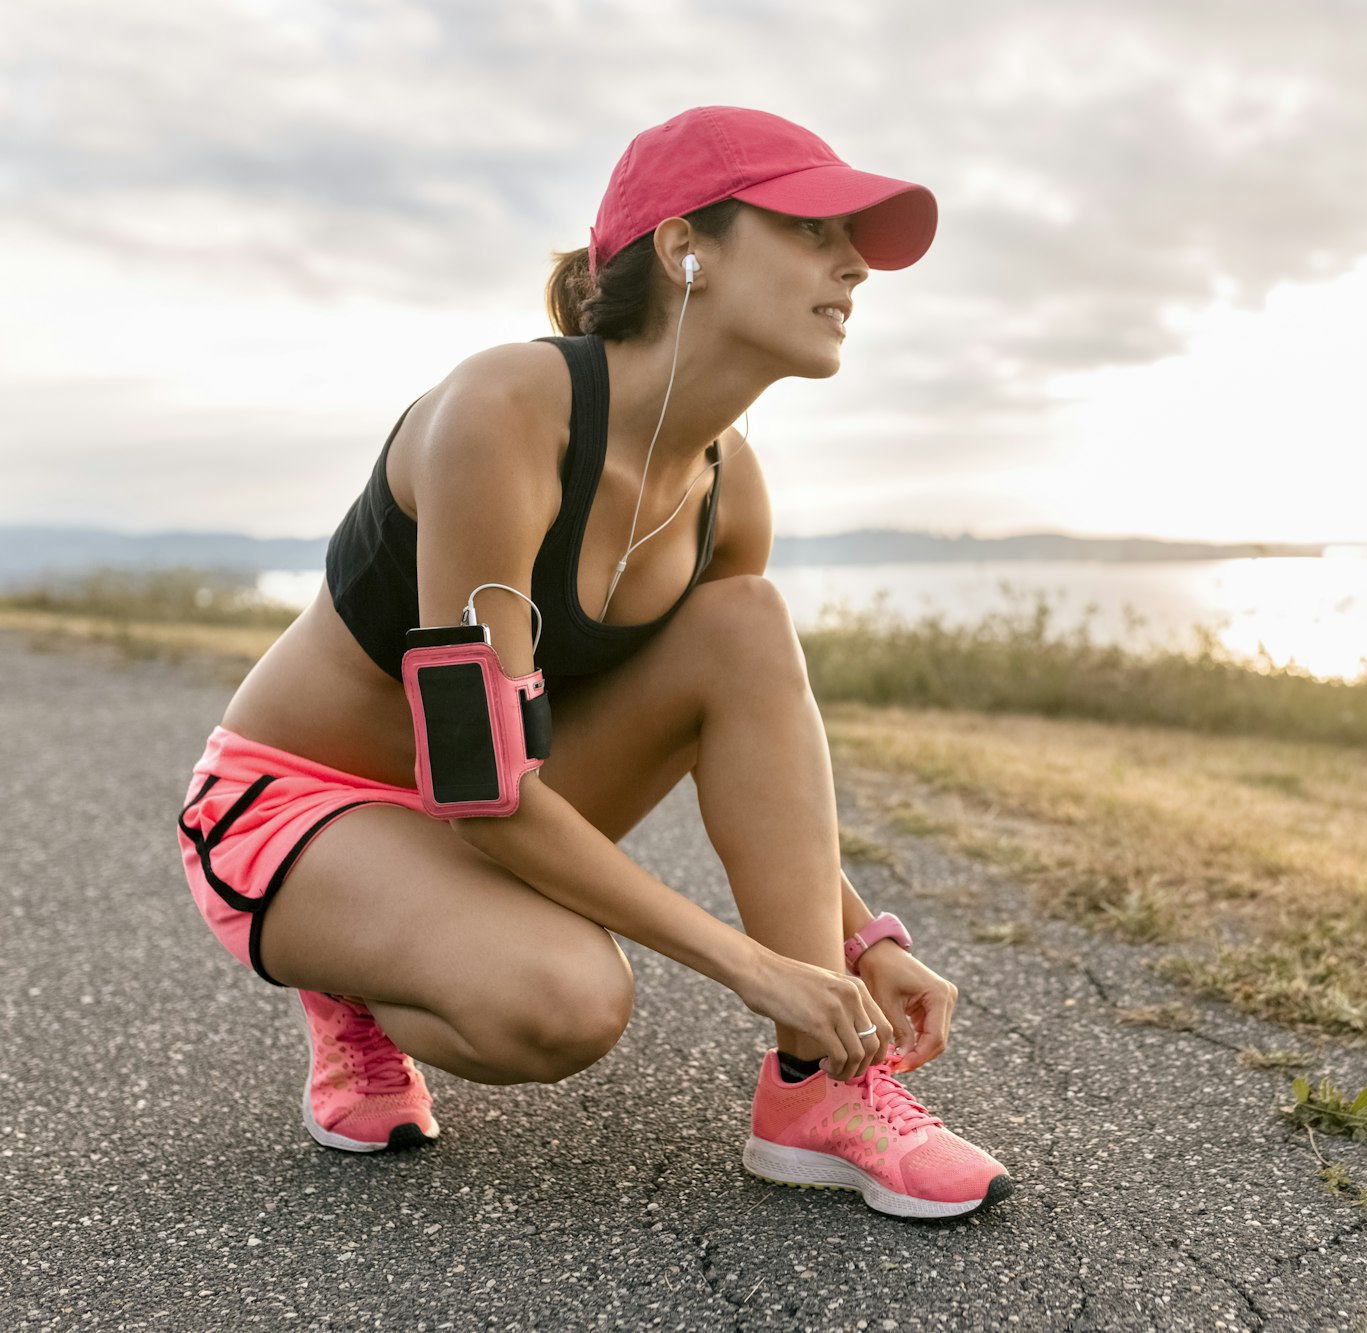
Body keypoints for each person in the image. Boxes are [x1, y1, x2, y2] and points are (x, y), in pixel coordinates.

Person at [172, 106, 1014, 1220]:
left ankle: (819, 1090)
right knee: (564, 1001)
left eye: (852, 240)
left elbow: (752, 750)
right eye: (813, 231)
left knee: (744, 623)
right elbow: (482, 787)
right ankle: (358, 980)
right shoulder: (505, 414)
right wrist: (752, 966)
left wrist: (854, 948)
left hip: (474, 803)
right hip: (296, 807)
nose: (853, 263)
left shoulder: (731, 488)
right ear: (684, 249)